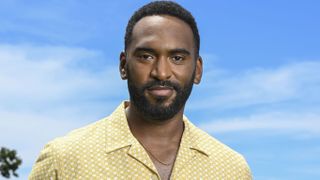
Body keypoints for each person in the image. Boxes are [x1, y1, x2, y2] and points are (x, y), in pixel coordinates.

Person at [29, 1, 252, 179]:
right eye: (146, 56)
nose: (161, 72)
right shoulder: (65, 159)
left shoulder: (232, 169)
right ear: (123, 66)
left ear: (197, 70)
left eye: (177, 58)